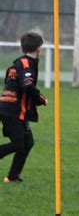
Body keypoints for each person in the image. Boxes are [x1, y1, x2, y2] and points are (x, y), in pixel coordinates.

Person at [0, 32, 47, 183]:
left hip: (12, 108)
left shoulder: (20, 62)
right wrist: (41, 98)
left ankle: (13, 177)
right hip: (12, 109)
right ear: (39, 48)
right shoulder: (26, 63)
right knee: (18, 143)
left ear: (22, 48)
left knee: (27, 142)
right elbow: (27, 85)